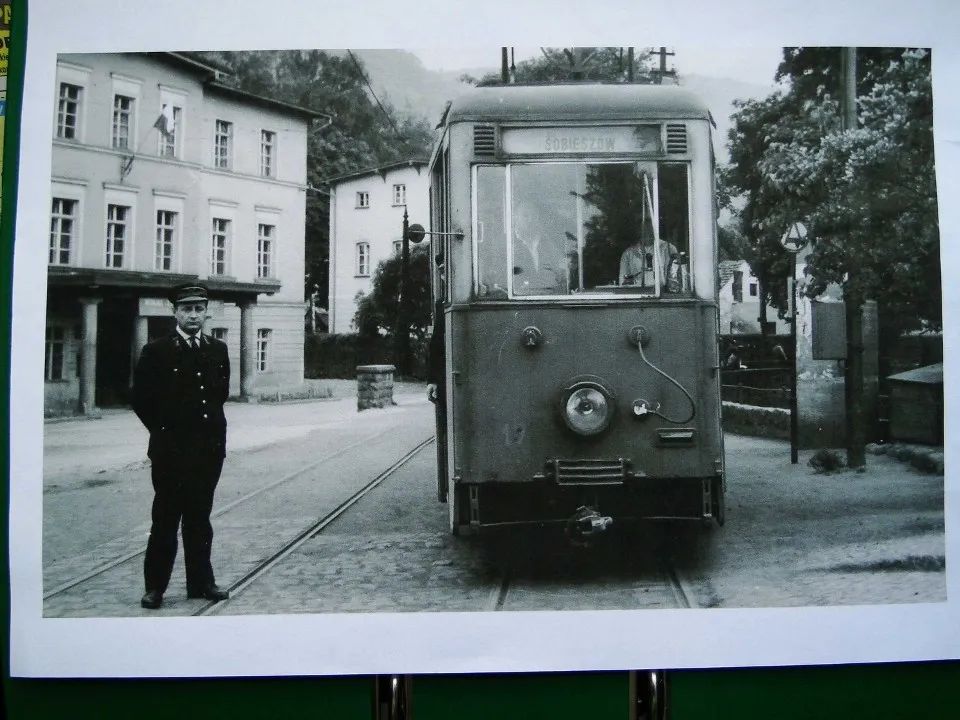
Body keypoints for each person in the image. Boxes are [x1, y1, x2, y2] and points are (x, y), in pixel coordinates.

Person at [132, 283, 231, 609]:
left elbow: (219, 396)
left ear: (205, 312)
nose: (193, 315)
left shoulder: (217, 349)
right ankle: (155, 588)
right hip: (171, 452)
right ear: (175, 311)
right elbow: (141, 400)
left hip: (208, 451)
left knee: (200, 518)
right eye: (187, 309)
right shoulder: (157, 351)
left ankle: (201, 583)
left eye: (198, 309)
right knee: (165, 518)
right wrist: (164, 432)